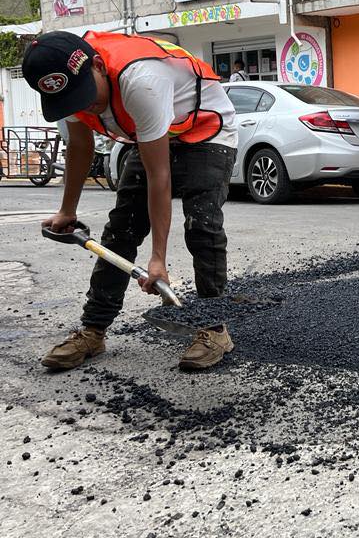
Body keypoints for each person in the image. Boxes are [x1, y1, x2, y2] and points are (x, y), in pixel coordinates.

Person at [23, 31, 238, 371]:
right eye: (73, 101)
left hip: (206, 127)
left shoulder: (141, 81)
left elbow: (159, 177)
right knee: (121, 228)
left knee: (202, 223)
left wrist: (158, 259)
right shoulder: (67, 87)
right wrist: (67, 210)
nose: (84, 106)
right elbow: (80, 146)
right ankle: (93, 331)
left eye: (86, 94)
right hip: (152, 131)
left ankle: (214, 327)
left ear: (97, 65)